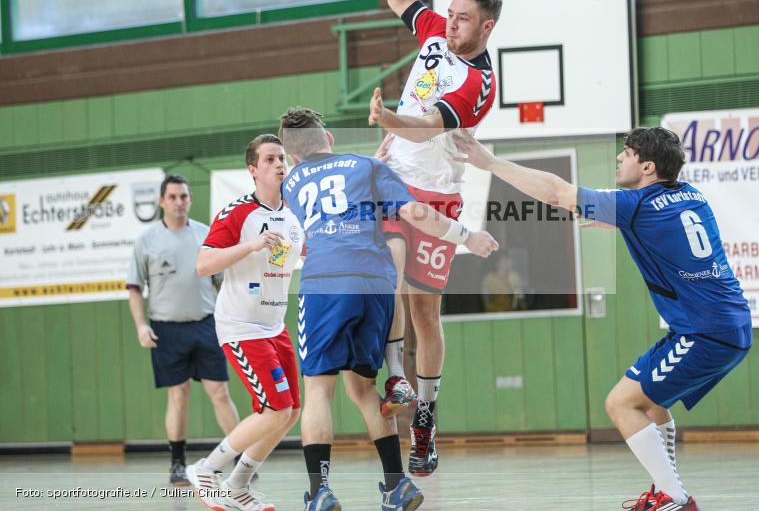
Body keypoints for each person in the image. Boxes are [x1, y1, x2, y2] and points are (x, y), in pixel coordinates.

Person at [453, 127, 752, 511]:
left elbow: (556, 192)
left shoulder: (636, 205)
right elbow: (664, 227)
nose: (618, 158)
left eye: (626, 153)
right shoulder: (691, 195)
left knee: (620, 404)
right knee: (651, 403)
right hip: (726, 323)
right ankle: (666, 489)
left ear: (647, 166)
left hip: (705, 332)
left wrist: (489, 162)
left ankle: (675, 498)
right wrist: (619, 222)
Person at [278, 107, 498, 511]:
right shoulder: (365, 167)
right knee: (363, 389)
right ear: (329, 139)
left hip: (325, 283)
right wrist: (467, 235)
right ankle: (397, 485)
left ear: (291, 155)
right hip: (376, 284)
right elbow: (415, 212)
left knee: (318, 391)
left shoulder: (290, 182)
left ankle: (320, 491)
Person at [367, 0, 503, 476]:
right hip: (392, 181)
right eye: (449, 13)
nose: (450, 24)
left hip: (436, 195)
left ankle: (425, 419)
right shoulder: (432, 33)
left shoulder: (479, 84)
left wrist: (386, 122)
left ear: (486, 28)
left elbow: (426, 127)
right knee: (386, 279)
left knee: (425, 310)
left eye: (463, 19)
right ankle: (395, 374)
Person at [185, 135, 303, 511]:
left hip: (274, 325)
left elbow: (304, 252)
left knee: (291, 411)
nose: (279, 164)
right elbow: (203, 265)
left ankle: (237, 485)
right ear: (253, 170)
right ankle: (206, 469)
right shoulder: (236, 212)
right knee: (275, 409)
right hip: (241, 325)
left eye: (282, 157)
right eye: (269, 159)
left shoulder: (294, 212)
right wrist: (251, 246)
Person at [126, 174, 240, 486]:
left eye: (184, 197)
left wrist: (228, 321)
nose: (179, 202)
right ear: (162, 201)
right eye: (173, 197)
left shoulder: (206, 235)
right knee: (179, 395)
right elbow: (135, 289)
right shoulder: (146, 242)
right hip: (167, 330)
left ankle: (242, 461)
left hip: (206, 325)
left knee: (220, 392)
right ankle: (177, 463)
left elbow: (222, 285)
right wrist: (140, 326)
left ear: (190, 199)